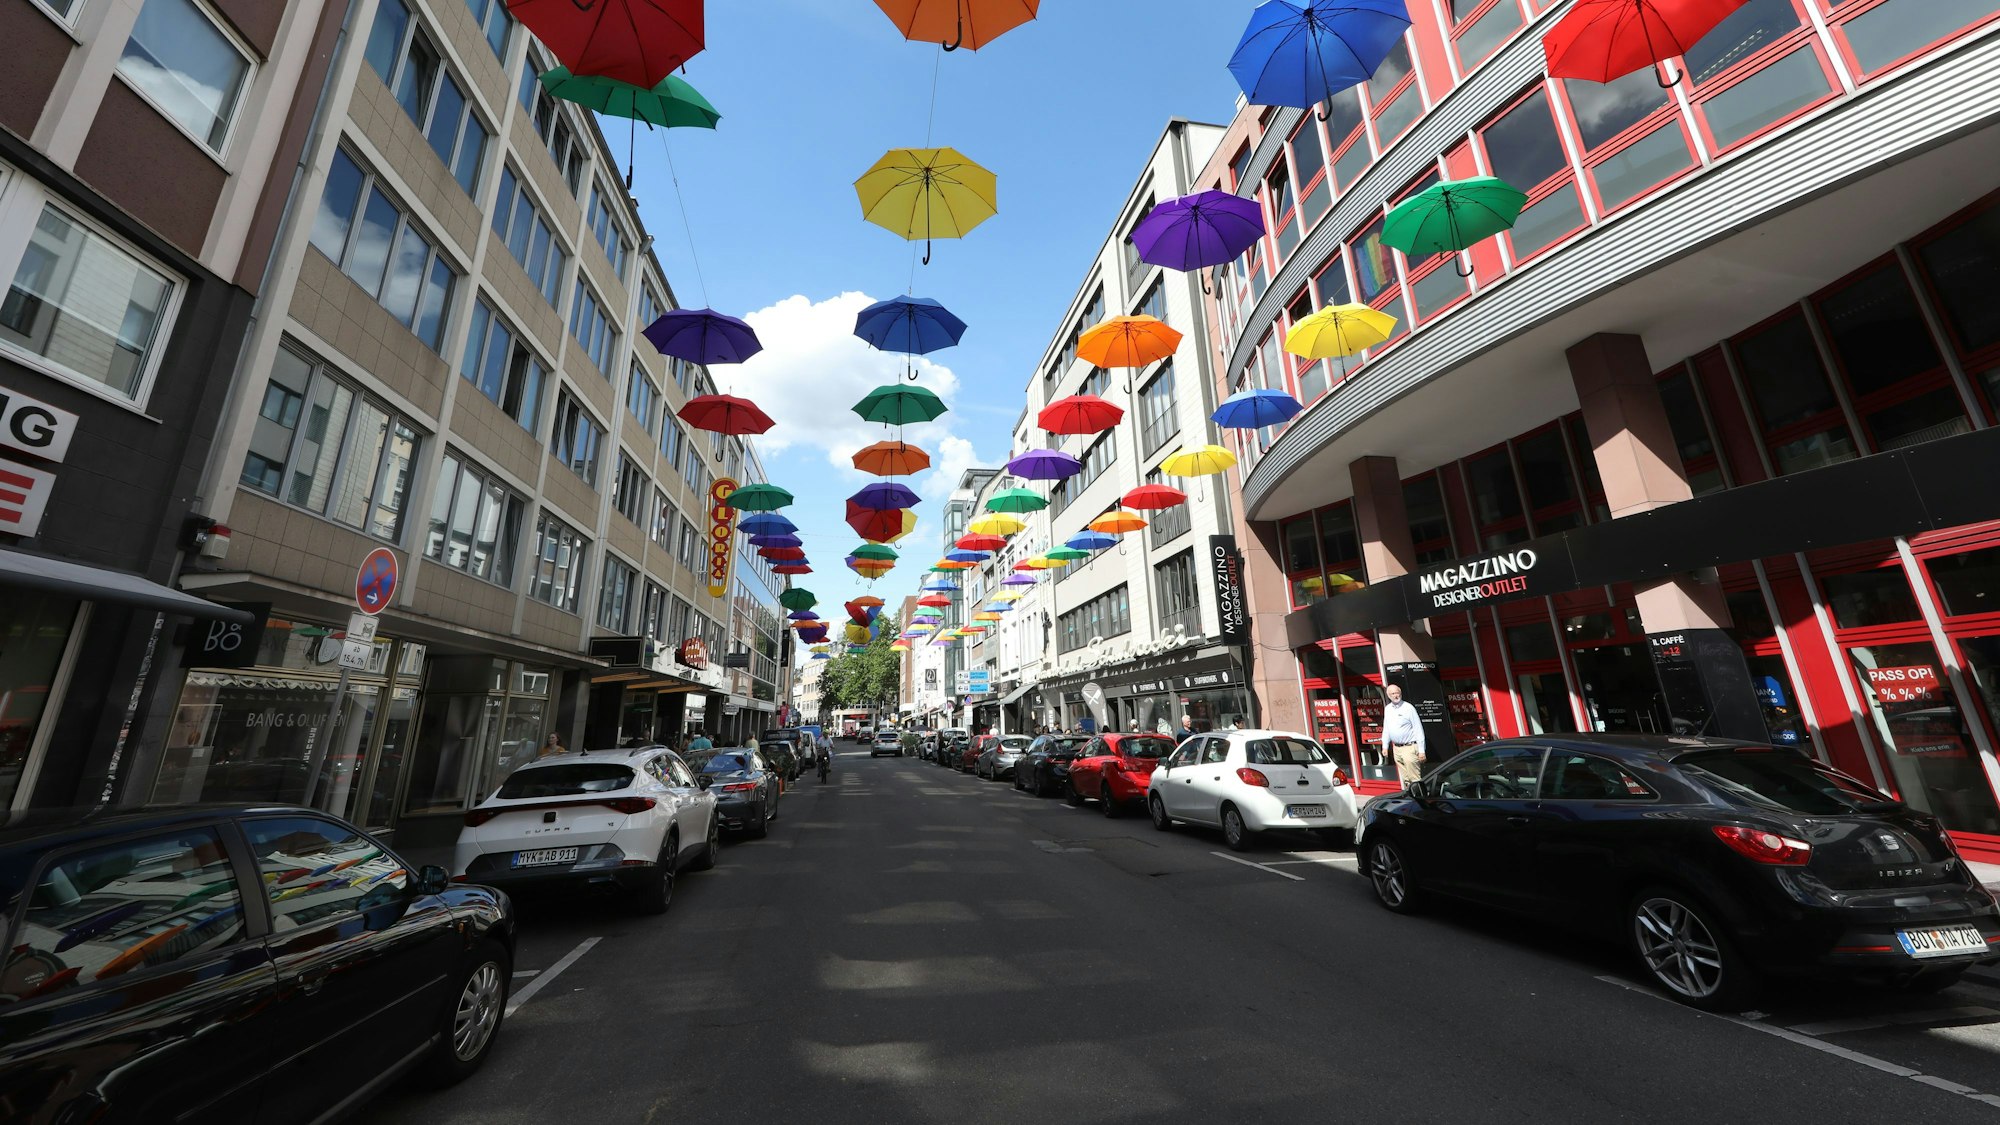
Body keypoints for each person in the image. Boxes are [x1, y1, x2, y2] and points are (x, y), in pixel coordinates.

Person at [1382, 683, 1426, 785]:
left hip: (1409, 747)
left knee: (1414, 778)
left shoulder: (1408, 708)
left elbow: (1418, 728)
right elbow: (1387, 728)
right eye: (1393, 694)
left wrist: (1421, 750)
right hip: (1397, 749)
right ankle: (1409, 799)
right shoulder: (1388, 709)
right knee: (1406, 779)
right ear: (1388, 695)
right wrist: (1385, 746)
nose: (1396, 695)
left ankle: (1420, 798)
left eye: (1397, 693)